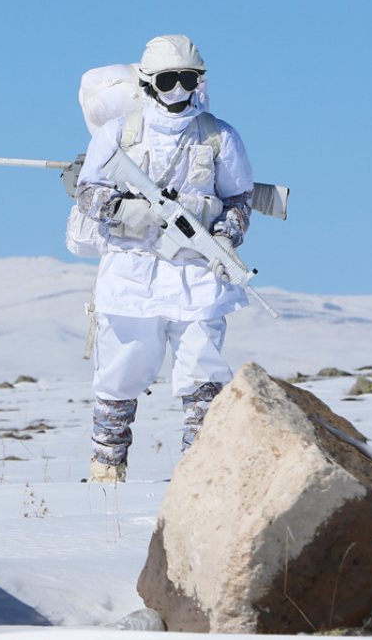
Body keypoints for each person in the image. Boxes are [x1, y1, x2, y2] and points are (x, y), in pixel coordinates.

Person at [73, 35, 254, 482]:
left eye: (187, 80)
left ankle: (199, 474)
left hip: (197, 271)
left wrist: (226, 237)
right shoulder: (120, 133)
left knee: (203, 374)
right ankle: (106, 470)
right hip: (131, 272)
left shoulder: (220, 136)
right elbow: (88, 191)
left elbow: (239, 199)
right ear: (149, 82)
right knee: (120, 373)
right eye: (168, 80)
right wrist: (124, 211)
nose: (177, 90)